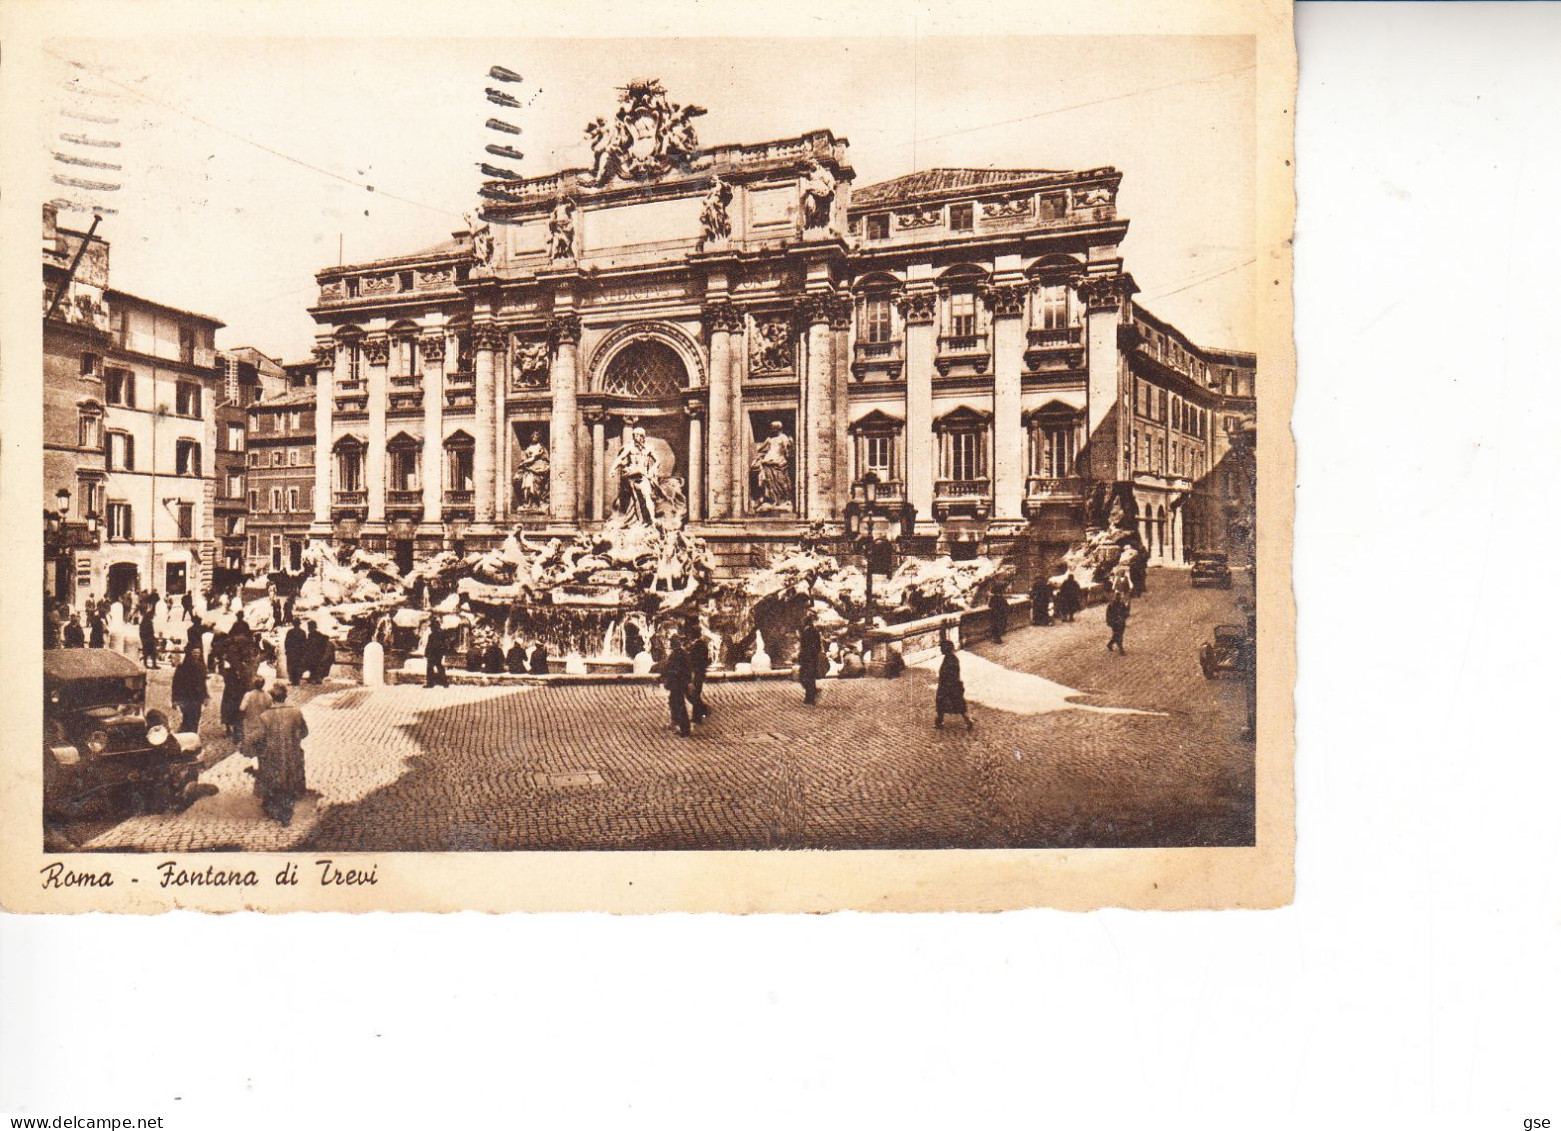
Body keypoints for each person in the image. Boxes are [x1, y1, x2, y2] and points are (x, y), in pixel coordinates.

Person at [253, 684, 308, 825]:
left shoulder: (264, 716)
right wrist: (293, 740)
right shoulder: (296, 713)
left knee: (274, 780)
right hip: (292, 754)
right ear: (285, 696)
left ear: (272, 697)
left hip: (272, 755)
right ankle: (288, 807)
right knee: (290, 779)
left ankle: (275, 809)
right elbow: (304, 732)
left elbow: (259, 737)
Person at [934, 639, 974, 730]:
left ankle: (968, 721)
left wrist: (946, 684)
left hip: (950, 686)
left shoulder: (951, 659)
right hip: (948, 685)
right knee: (942, 703)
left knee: (956, 704)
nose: (941, 650)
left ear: (946, 649)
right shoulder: (949, 658)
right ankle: (939, 721)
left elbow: (952, 674)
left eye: (942, 648)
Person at [171, 645, 208, 734]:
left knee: (196, 718)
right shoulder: (182, 667)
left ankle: (192, 737)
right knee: (187, 717)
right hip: (185, 697)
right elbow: (175, 684)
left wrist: (205, 696)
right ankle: (185, 737)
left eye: (198, 653)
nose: (196, 654)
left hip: (197, 697)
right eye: (194, 652)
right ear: (190, 653)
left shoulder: (201, 666)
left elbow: (203, 683)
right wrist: (174, 699)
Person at [662, 636, 692, 738]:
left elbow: (673, 669)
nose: (670, 645)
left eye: (671, 643)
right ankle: (678, 724)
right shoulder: (683, 653)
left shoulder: (676, 654)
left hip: (677, 684)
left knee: (679, 705)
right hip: (680, 683)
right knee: (675, 703)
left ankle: (684, 728)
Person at [238, 675, 272, 758]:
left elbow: (242, 708)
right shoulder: (268, 696)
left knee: (252, 748)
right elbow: (271, 710)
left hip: (251, 725)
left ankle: (255, 765)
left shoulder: (248, 695)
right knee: (263, 746)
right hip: (263, 725)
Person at [684, 622, 711, 723]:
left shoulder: (699, 645)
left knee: (693, 694)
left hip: (697, 673)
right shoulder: (700, 644)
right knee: (695, 694)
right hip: (699, 672)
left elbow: (696, 660)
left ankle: (702, 712)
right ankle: (699, 715)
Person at [797, 613, 823, 706]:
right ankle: (810, 697)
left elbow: (803, 646)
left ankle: (810, 697)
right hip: (813, 657)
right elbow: (819, 646)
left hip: (806, 657)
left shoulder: (805, 632)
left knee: (805, 677)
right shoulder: (815, 631)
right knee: (810, 677)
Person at [423, 617, 450, 688]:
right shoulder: (443, 634)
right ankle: (445, 683)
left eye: (431, 627)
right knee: (439, 666)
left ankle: (430, 683)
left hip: (433, 653)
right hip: (439, 653)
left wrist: (426, 654)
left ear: (434, 627)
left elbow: (429, 645)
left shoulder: (432, 635)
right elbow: (446, 644)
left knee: (430, 667)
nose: (431, 628)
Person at [1105, 590, 1131, 654]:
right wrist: (1110, 622)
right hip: (1115, 623)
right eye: (1117, 597)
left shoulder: (1121, 604)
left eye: (1119, 597)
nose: (1119, 598)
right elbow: (1108, 615)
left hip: (1121, 622)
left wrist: (1127, 609)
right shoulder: (1111, 605)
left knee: (1118, 635)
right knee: (1118, 635)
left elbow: (1125, 612)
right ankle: (1121, 650)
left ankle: (1109, 644)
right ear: (1115, 597)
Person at [284, 620, 307, 686]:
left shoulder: (290, 632)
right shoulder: (302, 632)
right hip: (297, 652)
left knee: (293, 666)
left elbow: (287, 642)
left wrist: (287, 650)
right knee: (296, 666)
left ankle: (294, 680)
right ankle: (296, 680)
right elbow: (305, 643)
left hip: (293, 652)